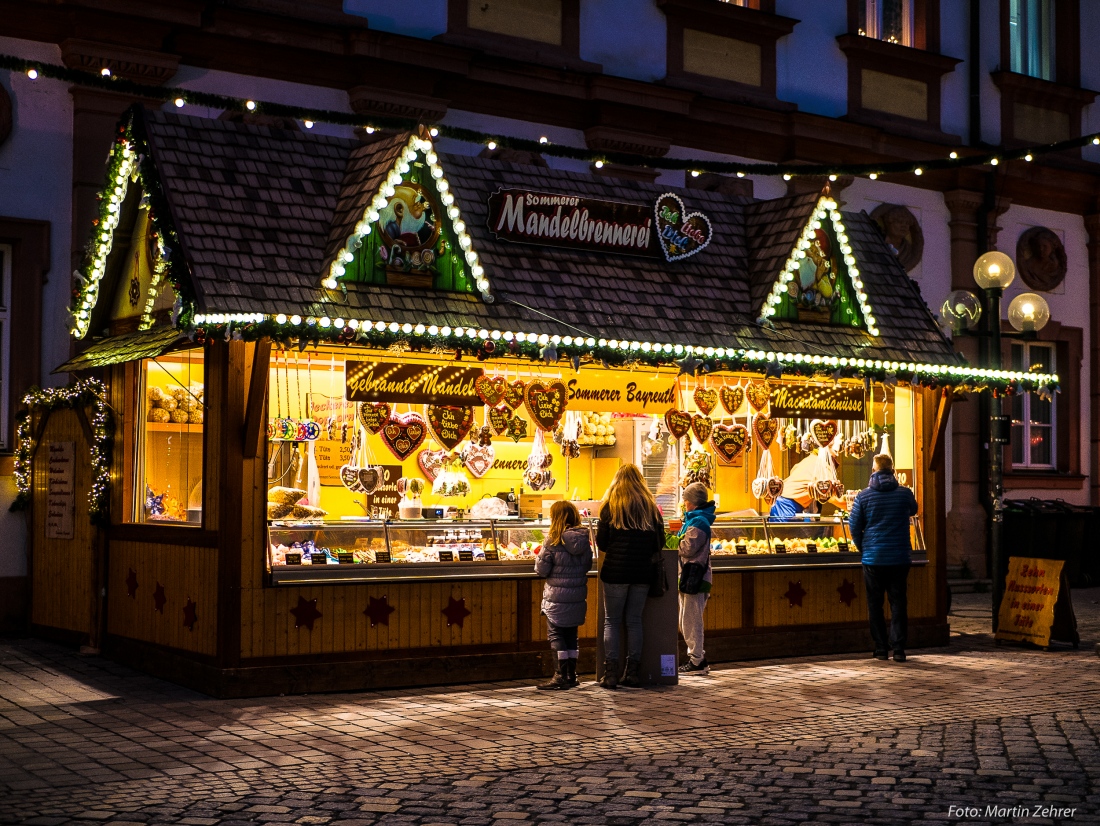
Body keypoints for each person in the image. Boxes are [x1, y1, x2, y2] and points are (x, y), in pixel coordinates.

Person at [596, 464, 665, 690]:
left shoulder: (610, 507)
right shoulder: (651, 508)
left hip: (615, 572)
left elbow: (602, 543)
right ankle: (632, 672)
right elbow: (660, 542)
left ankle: (611, 674)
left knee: (612, 621)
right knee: (634, 621)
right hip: (641, 572)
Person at [847, 453, 919, 662]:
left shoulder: (863, 496)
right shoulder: (904, 494)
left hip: (873, 559)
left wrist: (864, 547)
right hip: (899, 558)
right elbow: (914, 510)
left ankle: (880, 648)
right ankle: (898, 649)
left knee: (875, 604)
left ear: (873, 470)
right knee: (898, 603)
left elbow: (854, 526)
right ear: (893, 471)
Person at [534, 501, 593, 690]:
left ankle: (560, 675)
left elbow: (541, 569)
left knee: (556, 634)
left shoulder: (552, 540)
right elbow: (587, 566)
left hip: (556, 598)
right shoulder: (584, 540)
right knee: (571, 635)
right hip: (577, 595)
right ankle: (572, 675)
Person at [677, 482, 715, 676]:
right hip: (689, 576)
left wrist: (672, 541)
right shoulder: (693, 520)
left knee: (692, 620)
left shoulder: (699, 522)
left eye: (686, 499)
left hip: (696, 577)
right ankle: (696, 658)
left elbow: (687, 548)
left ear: (692, 502)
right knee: (687, 620)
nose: (684, 503)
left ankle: (697, 660)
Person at [769, 446, 846, 521]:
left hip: (779, 502)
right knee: (785, 534)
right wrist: (854, 507)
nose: (837, 455)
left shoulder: (809, 459)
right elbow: (833, 497)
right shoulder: (823, 466)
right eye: (836, 451)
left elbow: (793, 471)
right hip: (787, 507)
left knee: (779, 534)